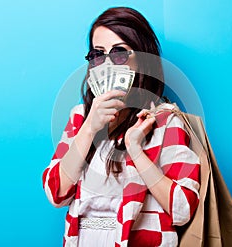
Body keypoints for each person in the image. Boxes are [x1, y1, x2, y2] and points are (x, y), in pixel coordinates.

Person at [42, 7, 200, 247]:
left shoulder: (165, 121)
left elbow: (182, 208)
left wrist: (135, 150)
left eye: (119, 53)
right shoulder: (79, 118)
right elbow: (56, 193)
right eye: (98, 54)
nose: (107, 64)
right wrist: (89, 128)